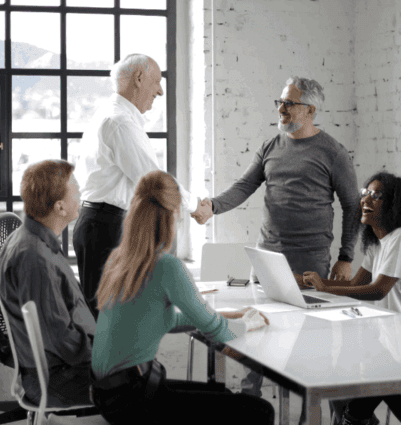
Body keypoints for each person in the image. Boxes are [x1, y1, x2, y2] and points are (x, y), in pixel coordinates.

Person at [193, 76, 361, 399]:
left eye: (289, 103)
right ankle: (249, 405)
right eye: (280, 102)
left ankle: (305, 414)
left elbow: (352, 205)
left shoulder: (333, 153)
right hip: (266, 258)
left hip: (310, 262)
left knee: (307, 347)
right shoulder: (270, 146)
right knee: (257, 333)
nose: (281, 109)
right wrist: (212, 206)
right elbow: (244, 186)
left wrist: (346, 256)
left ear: (310, 110)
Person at [90, 170, 275, 425]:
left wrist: (229, 315)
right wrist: (249, 323)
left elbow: (156, 320)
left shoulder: (119, 259)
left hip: (108, 395)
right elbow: (219, 332)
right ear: (174, 215)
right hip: (134, 400)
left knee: (222, 394)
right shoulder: (166, 266)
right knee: (259, 410)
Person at [73, 53, 211, 318]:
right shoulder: (120, 122)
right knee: (111, 321)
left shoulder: (112, 115)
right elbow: (153, 181)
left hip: (104, 225)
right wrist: (195, 207)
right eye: (157, 82)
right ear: (138, 79)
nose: (159, 90)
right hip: (106, 230)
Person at [303, 171, 401, 425]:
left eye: (376, 195)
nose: (366, 200)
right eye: (365, 193)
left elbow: (376, 290)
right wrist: (312, 283)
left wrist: (324, 289)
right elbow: (356, 285)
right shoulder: (377, 243)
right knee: (347, 378)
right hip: (393, 334)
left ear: (394, 204)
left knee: (374, 383)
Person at [0, 159, 95, 408]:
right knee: (147, 388)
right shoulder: (36, 259)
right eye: (76, 190)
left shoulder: (30, 239)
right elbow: (62, 339)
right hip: (58, 379)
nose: (81, 194)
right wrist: (106, 353)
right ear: (60, 207)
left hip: (62, 369)